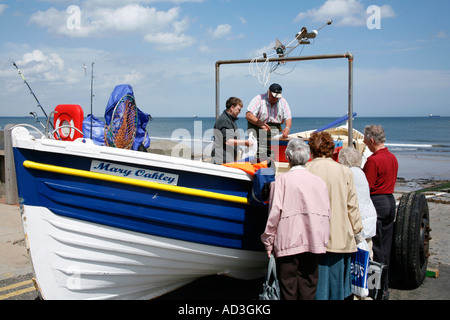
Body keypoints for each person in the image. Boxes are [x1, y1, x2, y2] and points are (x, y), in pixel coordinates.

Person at [261, 139, 330, 300]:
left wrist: (268, 242)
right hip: (313, 240)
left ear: (288, 158)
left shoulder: (280, 182)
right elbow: (326, 214)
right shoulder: (319, 183)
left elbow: (273, 215)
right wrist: (323, 240)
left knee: (288, 289)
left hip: (288, 242)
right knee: (309, 287)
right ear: (307, 158)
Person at [305, 132, 362, 300]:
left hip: (312, 237)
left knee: (315, 287)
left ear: (312, 149)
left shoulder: (306, 170)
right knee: (337, 289)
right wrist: (358, 229)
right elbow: (352, 206)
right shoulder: (344, 172)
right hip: (340, 236)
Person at [362, 125, 399, 300]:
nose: (365, 144)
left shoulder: (374, 161)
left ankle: (376, 289)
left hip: (377, 201)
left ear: (372, 140)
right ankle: (384, 286)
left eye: (366, 141)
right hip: (390, 200)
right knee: (386, 245)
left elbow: (366, 187)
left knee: (376, 248)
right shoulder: (392, 158)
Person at [339, 147, 377, 259]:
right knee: (368, 253)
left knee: (356, 258)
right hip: (369, 218)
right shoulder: (360, 172)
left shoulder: (349, 174)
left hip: (359, 222)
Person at [246, 83, 292, 161]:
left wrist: (287, 129)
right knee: (260, 153)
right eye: (273, 97)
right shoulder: (258, 99)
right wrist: (261, 124)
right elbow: (248, 115)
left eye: (277, 97)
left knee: (273, 154)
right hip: (258, 128)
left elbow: (288, 117)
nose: (275, 99)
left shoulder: (283, 101)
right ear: (268, 92)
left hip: (274, 132)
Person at [211, 97, 253, 164]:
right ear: (232, 107)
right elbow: (228, 141)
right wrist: (246, 143)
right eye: (238, 109)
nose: (239, 112)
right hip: (221, 160)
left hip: (227, 159)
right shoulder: (224, 120)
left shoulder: (229, 120)